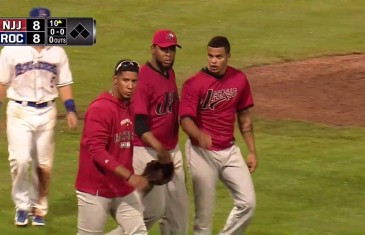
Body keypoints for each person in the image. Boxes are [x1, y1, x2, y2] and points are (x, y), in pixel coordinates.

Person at [0, 7, 78, 226]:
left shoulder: (57, 52)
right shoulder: (11, 50)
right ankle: (22, 206)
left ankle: (39, 209)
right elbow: (3, 83)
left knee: (43, 164)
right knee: (20, 159)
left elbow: (64, 83)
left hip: (47, 112)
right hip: (19, 110)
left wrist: (70, 109)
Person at [107, 29, 189, 235]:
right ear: (153, 49)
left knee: (172, 214)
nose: (168, 53)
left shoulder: (168, 73)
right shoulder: (142, 78)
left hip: (170, 151)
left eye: (172, 49)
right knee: (144, 213)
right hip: (146, 152)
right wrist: (161, 151)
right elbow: (140, 124)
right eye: (164, 49)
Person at [179, 36, 258, 235]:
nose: (214, 61)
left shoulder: (239, 79)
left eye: (219, 56)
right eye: (210, 56)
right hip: (201, 152)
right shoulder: (194, 83)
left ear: (228, 57)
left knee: (248, 203)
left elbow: (245, 119)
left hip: (229, 150)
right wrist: (199, 135)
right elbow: (185, 120)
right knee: (204, 218)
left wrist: (251, 151)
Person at [75, 59, 149, 235]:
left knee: (138, 231)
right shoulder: (100, 109)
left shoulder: (129, 106)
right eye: (126, 80)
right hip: (95, 189)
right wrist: (129, 175)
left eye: (134, 81)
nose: (130, 86)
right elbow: (97, 151)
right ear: (115, 79)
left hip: (122, 188)